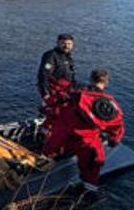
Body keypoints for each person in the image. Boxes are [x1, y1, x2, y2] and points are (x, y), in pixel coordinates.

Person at [42, 68, 126, 201]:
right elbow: (117, 125)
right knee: (93, 164)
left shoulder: (75, 95)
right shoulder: (109, 105)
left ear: (91, 79)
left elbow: (56, 107)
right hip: (87, 140)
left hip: (65, 134)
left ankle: (44, 164)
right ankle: (89, 191)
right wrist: (113, 140)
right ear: (106, 83)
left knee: (53, 148)